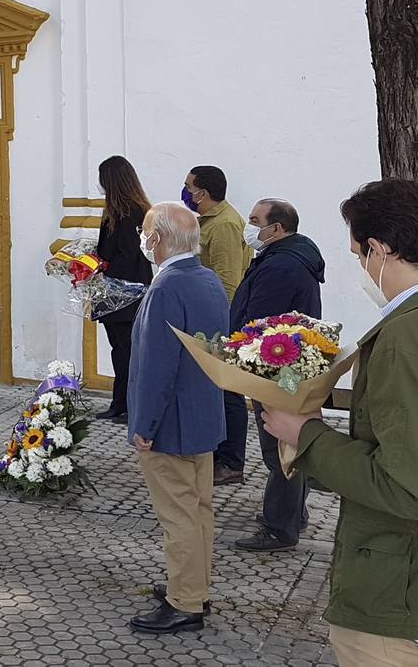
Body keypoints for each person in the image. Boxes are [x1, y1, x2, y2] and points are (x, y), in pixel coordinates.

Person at [264, 180, 418, 667]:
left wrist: (304, 436)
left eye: (358, 255)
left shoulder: (407, 335)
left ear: (379, 249)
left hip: (405, 597)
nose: (363, 270)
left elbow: (412, 489)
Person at [127, 202, 228, 635]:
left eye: (147, 232)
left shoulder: (165, 288)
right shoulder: (207, 279)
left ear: (159, 239)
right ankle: (194, 586)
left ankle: (185, 602)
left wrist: (143, 426)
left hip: (170, 422)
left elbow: (156, 365)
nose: (144, 239)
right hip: (202, 414)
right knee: (199, 509)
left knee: (179, 516)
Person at [231, 199, 323, 554]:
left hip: (276, 369)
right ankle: (292, 514)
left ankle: (279, 529)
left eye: (255, 220)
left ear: (278, 228)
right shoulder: (285, 257)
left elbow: (260, 323)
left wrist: (238, 350)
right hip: (285, 367)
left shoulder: (281, 266)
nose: (250, 226)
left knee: (281, 451)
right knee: (288, 446)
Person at [184, 165, 252, 485]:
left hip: (221, 320)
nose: (186, 193)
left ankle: (231, 462)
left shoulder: (224, 225)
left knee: (228, 392)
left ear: (204, 193)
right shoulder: (208, 220)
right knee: (214, 389)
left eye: (189, 188)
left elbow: (228, 280)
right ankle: (214, 453)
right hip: (208, 317)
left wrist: (220, 325)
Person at [94, 156, 155, 424]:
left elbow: (129, 254)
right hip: (116, 292)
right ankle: (119, 402)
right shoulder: (119, 210)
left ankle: (133, 407)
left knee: (129, 350)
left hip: (125, 293)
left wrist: (101, 268)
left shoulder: (131, 212)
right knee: (119, 349)